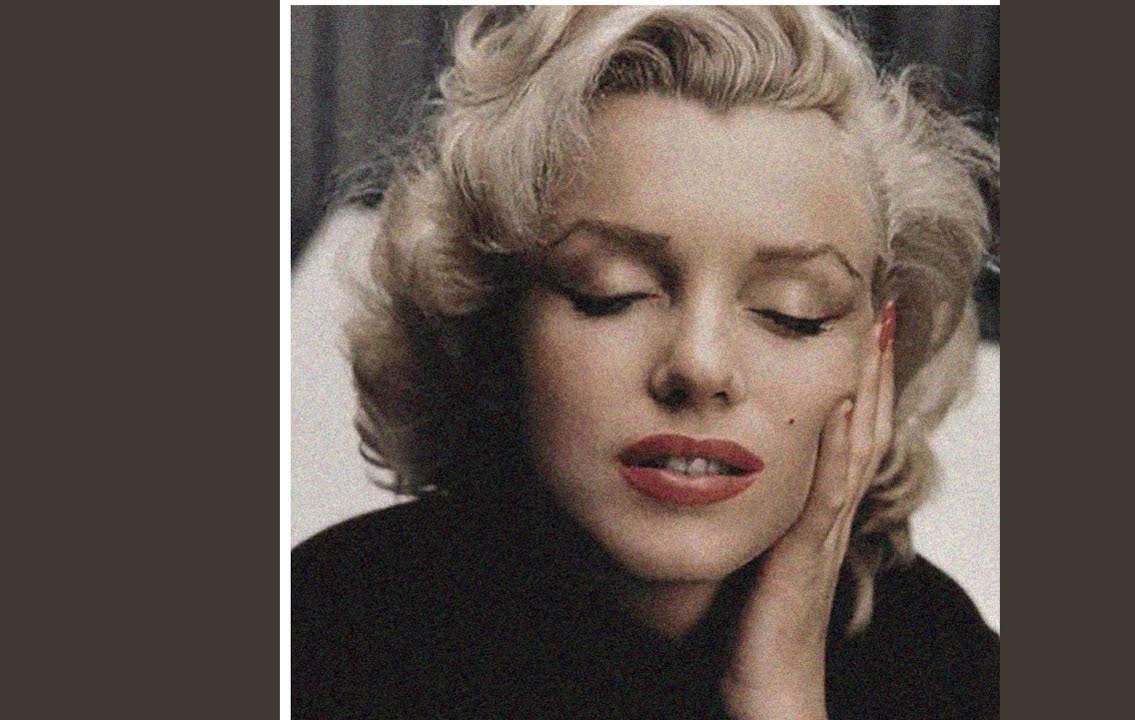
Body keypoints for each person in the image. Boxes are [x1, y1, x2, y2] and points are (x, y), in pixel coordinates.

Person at [292, 6, 999, 719]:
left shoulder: (941, 663)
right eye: (612, 293)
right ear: (494, 322)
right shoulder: (324, 634)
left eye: (793, 311)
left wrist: (780, 696)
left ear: (877, 353)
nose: (700, 365)